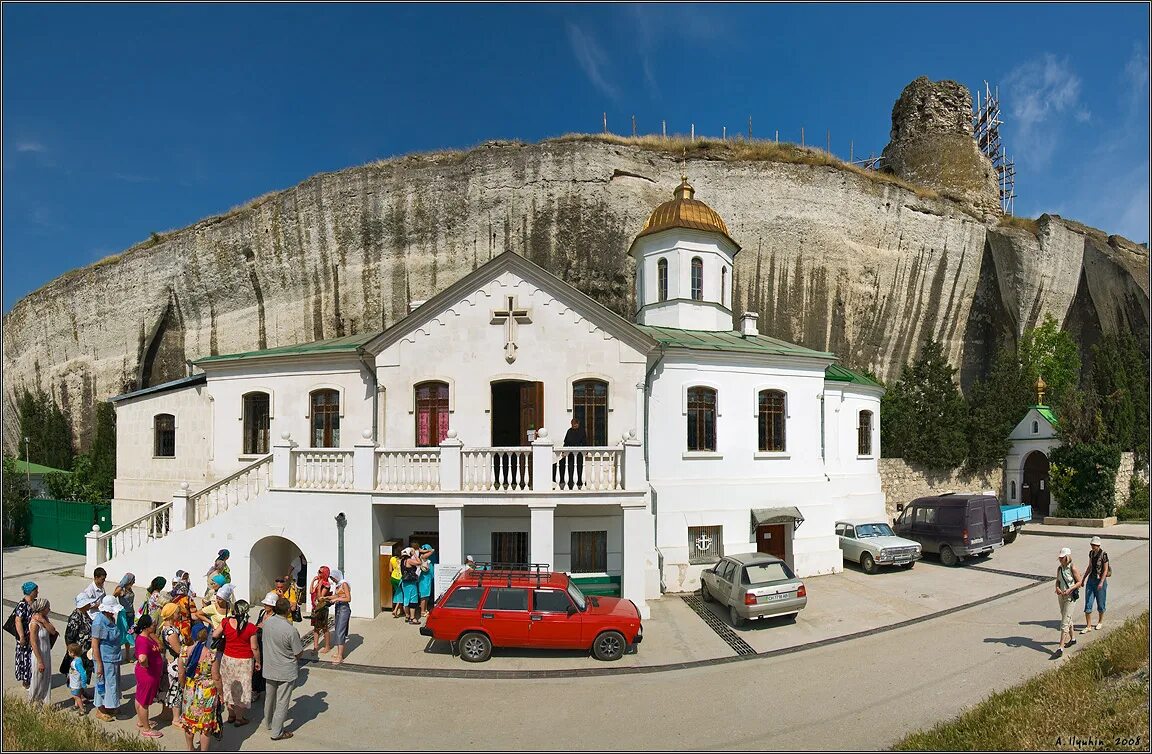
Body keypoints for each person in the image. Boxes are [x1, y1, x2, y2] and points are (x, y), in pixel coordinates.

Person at [261, 597, 303, 741]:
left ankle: (269, 723)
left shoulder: (267, 623)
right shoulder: (290, 630)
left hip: (269, 667)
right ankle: (277, 732)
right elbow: (298, 652)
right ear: (286, 611)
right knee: (282, 701)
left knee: (270, 698)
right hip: (285, 670)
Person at [214, 600, 260, 726]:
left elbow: (215, 634)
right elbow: (254, 647)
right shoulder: (251, 627)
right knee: (241, 689)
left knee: (228, 685)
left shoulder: (226, 622)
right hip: (244, 661)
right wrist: (258, 661)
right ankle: (240, 718)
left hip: (228, 659)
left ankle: (231, 715)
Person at [179, 625, 222, 751]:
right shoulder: (211, 655)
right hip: (206, 692)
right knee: (205, 726)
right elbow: (217, 677)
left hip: (190, 690)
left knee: (188, 723)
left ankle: (190, 748)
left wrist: (183, 686)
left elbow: (181, 673)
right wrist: (221, 694)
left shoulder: (184, 651)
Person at [91, 595, 126, 721]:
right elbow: (94, 644)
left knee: (113, 683)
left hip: (113, 657)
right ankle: (100, 710)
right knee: (102, 683)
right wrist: (99, 664)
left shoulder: (111, 618)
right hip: (104, 658)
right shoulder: (98, 622)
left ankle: (110, 706)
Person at [133, 614, 164, 739]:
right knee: (144, 702)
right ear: (146, 627)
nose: (155, 625)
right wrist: (146, 665)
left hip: (147, 674)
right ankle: (146, 729)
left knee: (140, 697)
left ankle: (141, 721)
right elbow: (142, 658)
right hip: (148, 675)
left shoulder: (147, 637)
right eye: (152, 624)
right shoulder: (143, 641)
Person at [158, 601, 185, 725]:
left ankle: (166, 713)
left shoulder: (166, 628)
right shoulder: (171, 632)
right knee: (176, 690)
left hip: (171, 662)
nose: (179, 615)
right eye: (177, 613)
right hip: (175, 664)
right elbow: (178, 650)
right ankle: (176, 718)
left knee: (169, 689)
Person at [1053, 547, 1082, 658]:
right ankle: (1073, 638)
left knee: (1064, 621)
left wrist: (1070, 589)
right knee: (1066, 616)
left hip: (1070, 597)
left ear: (1067, 557)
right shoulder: (1059, 569)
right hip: (1061, 596)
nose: (1060, 560)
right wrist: (1057, 588)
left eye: (1062, 558)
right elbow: (1057, 581)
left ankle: (1060, 647)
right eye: (1060, 558)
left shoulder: (1072, 568)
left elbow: (1079, 582)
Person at [27, 598, 57, 704]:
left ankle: (44, 703)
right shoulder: (34, 623)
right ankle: (31, 703)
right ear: (42, 608)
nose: (49, 609)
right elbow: (34, 643)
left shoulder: (44, 619)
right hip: (38, 656)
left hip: (46, 654)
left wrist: (44, 621)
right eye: (47, 607)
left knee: (46, 680)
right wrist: (40, 661)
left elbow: (53, 631)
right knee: (37, 680)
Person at [1080, 536, 1111, 633]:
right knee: (1088, 603)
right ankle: (1088, 626)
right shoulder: (1091, 553)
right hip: (1091, 580)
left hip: (1100, 581)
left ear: (1098, 545)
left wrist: (1101, 582)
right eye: (1092, 545)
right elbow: (1089, 567)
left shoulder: (1103, 555)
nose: (1092, 547)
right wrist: (1083, 579)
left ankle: (1100, 621)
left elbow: (1105, 569)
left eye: (1094, 545)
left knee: (1101, 603)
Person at [251, 593, 278, 703]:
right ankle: (256, 690)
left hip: (268, 645)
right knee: (258, 667)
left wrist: (265, 627)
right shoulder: (262, 612)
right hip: (259, 643)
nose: (265, 606)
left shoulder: (276, 616)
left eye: (267, 604)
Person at [13, 581, 38, 689]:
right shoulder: (22, 605)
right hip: (25, 638)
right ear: (30, 592)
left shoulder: (35, 603)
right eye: (35, 591)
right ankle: (26, 681)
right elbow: (18, 621)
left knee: (32, 659)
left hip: (33, 637)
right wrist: (22, 637)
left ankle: (32, 678)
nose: (37, 592)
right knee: (25, 659)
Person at [309, 566, 334, 653]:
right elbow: (311, 591)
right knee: (315, 628)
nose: (318, 573)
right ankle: (315, 647)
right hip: (315, 608)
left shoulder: (326, 584)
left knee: (324, 628)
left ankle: (327, 646)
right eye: (318, 571)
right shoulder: (319, 582)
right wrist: (313, 581)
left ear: (324, 574)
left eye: (320, 572)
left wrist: (319, 587)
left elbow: (320, 598)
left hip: (322, 608)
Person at [329, 569, 352, 664]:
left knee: (340, 631)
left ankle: (340, 656)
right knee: (337, 629)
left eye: (333, 578)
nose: (333, 580)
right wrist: (326, 598)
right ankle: (339, 653)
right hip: (338, 608)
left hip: (344, 609)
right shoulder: (338, 585)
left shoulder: (344, 584)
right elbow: (335, 596)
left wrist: (337, 599)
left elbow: (348, 598)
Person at [114, 573, 137, 657]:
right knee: (122, 634)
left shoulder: (129, 589)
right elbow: (113, 598)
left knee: (129, 634)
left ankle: (127, 655)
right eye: (133, 580)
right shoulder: (121, 589)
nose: (134, 582)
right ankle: (117, 654)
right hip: (124, 615)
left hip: (131, 614)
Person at [562, 418, 588, 489]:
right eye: (572, 424)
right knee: (570, 469)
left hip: (579, 454)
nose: (573, 425)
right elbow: (566, 442)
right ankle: (570, 484)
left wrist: (586, 452)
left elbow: (584, 442)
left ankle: (581, 483)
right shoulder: (569, 431)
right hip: (570, 454)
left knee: (580, 468)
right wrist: (563, 451)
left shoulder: (582, 431)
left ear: (578, 424)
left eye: (575, 424)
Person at [67, 642, 89, 714]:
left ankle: (82, 709)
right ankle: (76, 705)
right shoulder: (77, 660)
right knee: (77, 695)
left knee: (76, 696)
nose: (68, 653)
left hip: (76, 683)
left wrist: (83, 682)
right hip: (74, 681)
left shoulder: (77, 662)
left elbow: (83, 672)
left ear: (73, 653)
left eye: (69, 652)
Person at [400, 548, 421, 625]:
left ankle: (407, 616)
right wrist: (415, 554)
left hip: (404, 583)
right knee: (413, 600)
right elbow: (419, 563)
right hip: (411, 583)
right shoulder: (409, 560)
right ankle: (413, 618)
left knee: (406, 599)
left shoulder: (402, 561)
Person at [417, 544, 436, 620]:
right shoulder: (423, 557)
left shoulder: (426, 558)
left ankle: (425, 609)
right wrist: (427, 550)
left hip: (427, 578)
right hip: (423, 579)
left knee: (427, 595)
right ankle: (422, 611)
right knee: (424, 596)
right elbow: (432, 551)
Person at [389, 552, 404, 617]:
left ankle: (401, 611)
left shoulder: (392, 559)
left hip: (393, 577)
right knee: (400, 594)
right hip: (400, 578)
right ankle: (395, 610)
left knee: (397, 593)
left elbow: (390, 570)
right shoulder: (403, 560)